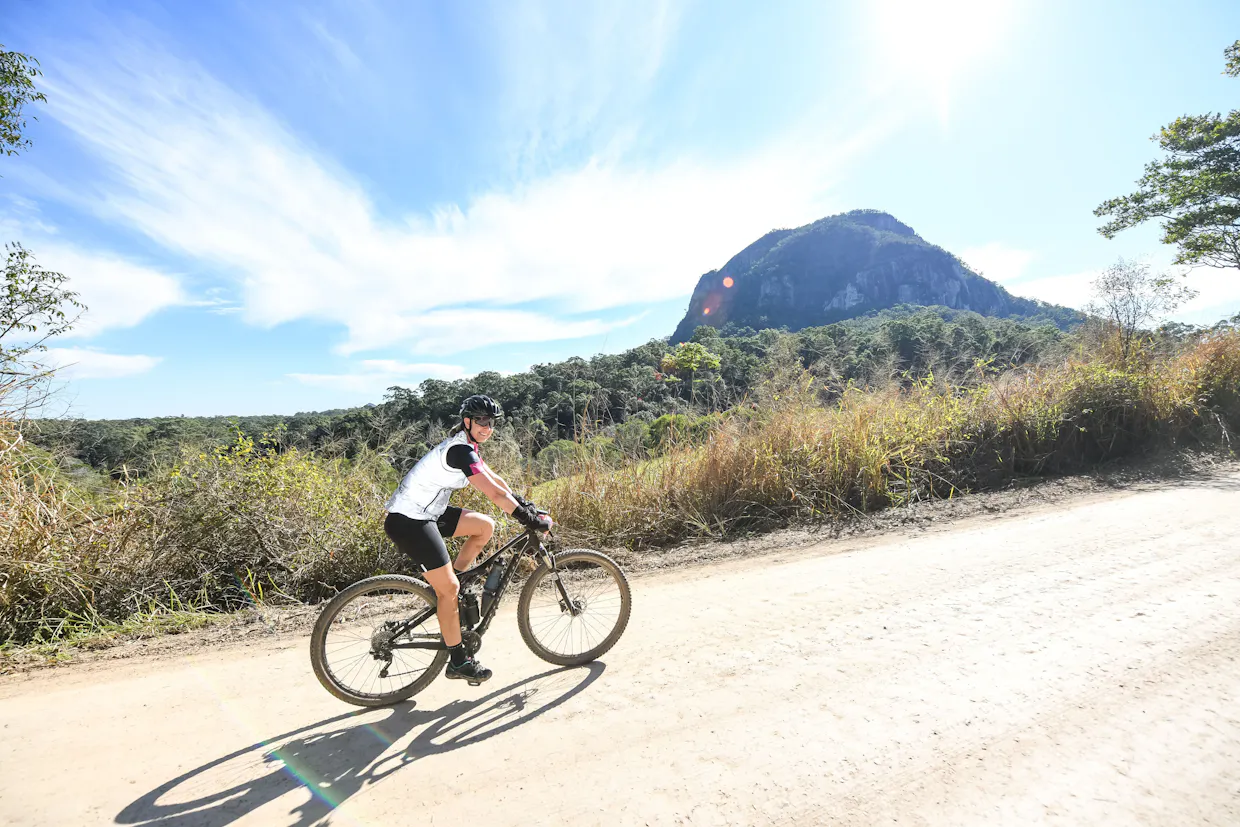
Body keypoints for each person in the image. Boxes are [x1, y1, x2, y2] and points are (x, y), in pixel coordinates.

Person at [383, 394, 553, 684]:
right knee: (447, 589)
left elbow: (497, 481)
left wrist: (526, 505)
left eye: (491, 423)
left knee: (484, 526)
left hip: (429, 513)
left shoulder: (469, 446)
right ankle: (458, 661)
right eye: (482, 421)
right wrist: (529, 520)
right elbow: (495, 494)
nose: (487, 427)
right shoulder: (460, 451)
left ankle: (456, 586)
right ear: (467, 422)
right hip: (408, 521)